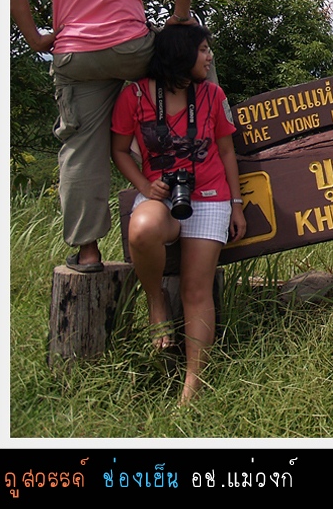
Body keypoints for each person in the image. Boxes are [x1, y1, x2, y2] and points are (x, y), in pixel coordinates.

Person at [10, 0, 197, 272]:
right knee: (193, 54)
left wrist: (36, 38)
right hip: (133, 50)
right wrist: (180, 17)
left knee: (81, 150)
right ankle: (215, 133)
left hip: (76, 56)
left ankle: (88, 251)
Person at [111, 24, 245, 405]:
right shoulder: (135, 95)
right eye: (202, 50)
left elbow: (226, 151)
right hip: (161, 196)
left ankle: (191, 389)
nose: (209, 57)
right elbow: (119, 150)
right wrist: (144, 185)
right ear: (180, 55)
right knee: (142, 229)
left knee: (196, 290)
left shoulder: (212, 95)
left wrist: (236, 205)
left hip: (209, 197)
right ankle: (156, 301)